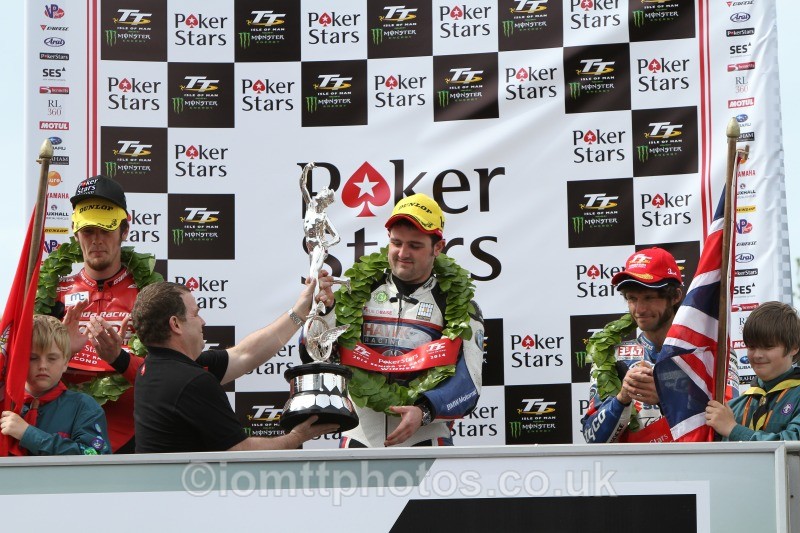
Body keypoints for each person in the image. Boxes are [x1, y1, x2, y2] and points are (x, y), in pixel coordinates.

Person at [320, 193, 484, 448]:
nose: (403, 253)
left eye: (415, 246)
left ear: (437, 248)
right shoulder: (355, 293)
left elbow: (470, 383)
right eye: (397, 243)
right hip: (359, 439)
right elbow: (316, 356)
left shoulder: (459, 303)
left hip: (426, 439)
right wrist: (322, 312)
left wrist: (425, 409)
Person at [131, 281, 339, 453]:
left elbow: (245, 354)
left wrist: (299, 312)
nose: (202, 321)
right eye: (195, 314)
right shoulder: (191, 381)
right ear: (175, 324)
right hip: (187, 498)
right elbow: (241, 451)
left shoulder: (153, 368)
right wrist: (296, 438)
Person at [49, 175, 146, 453]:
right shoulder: (53, 295)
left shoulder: (150, 294)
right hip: (66, 436)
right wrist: (62, 350)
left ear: (124, 230)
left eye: (106, 230)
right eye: (89, 231)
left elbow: (168, 370)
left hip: (135, 436)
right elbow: (30, 366)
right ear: (75, 232)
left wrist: (121, 358)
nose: (97, 240)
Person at [581, 247, 684, 443]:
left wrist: (666, 398)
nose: (639, 309)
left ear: (675, 296)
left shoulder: (708, 353)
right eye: (632, 299)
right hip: (634, 471)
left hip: (696, 469)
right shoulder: (612, 357)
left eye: (649, 297)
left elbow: (728, 423)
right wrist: (622, 399)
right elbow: (592, 438)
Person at [0, 315, 110, 455]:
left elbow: (96, 456)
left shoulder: (83, 407)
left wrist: (29, 435)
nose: (42, 366)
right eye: (32, 358)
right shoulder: (5, 404)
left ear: (65, 362)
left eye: (52, 358)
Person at [706, 301, 800, 441]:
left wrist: (734, 430)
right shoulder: (732, 407)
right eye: (751, 347)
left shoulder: (796, 396)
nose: (757, 355)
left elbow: (793, 443)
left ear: (794, 347)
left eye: (768, 347)